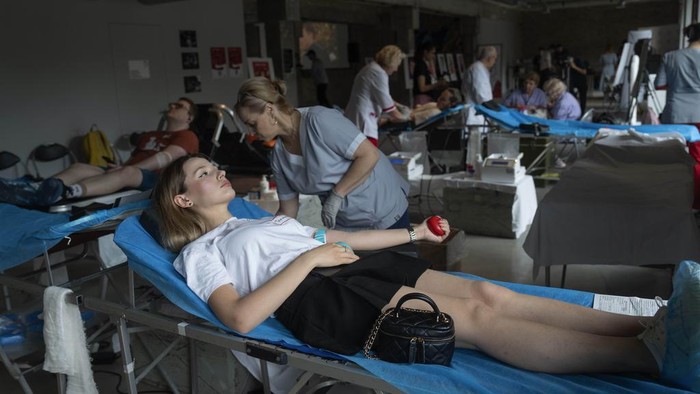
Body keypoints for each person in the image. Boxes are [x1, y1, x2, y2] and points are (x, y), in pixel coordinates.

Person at [154, 153, 700, 393]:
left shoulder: (264, 219)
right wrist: (308, 260)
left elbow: (340, 239)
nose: (219, 171)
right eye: (205, 172)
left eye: (216, 166)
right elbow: (241, 318)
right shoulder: (201, 254)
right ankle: (652, 359)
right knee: (477, 319)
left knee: (488, 290)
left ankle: (649, 328)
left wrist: (413, 235)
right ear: (183, 198)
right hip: (321, 299)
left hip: (351, 267)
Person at [235, 77, 409, 230]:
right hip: (345, 223)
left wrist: (337, 194)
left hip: (383, 207)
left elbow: (369, 155)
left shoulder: (319, 121)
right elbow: (288, 210)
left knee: (398, 263)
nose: (251, 132)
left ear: (270, 110)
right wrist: (270, 234)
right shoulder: (278, 156)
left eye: (252, 123)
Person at [0, 98, 198, 208]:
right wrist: (118, 168)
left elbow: (163, 158)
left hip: (156, 180)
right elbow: (133, 160)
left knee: (126, 173)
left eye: (179, 106)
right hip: (130, 171)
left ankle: (66, 193)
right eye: (172, 103)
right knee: (80, 167)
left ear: (189, 117)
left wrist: (125, 169)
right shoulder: (151, 135)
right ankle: (38, 189)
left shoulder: (188, 136)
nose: (172, 106)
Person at [655, 22, 700, 209]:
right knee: (697, 159)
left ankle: (673, 199)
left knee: (675, 157)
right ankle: (696, 202)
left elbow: (659, 84)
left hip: (675, 115)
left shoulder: (670, 56)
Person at [345, 45, 410, 146]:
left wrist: (399, 106)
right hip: (364, 121)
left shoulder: (370, 68)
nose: (396, 69)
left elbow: (385, 96)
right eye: (397, 65)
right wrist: (404, 118)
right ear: (391, 63)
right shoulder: (378, 73)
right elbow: (387, 105)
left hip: (357, 116)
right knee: (369, 155)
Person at [461, 46, 498, 125]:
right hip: (474, 114)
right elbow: (482, 95)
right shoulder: (477, 69)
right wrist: (495, 110)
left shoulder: (481, 69)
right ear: (490, 58)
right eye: (495, 59)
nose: (494, 62)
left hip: (479, 113)